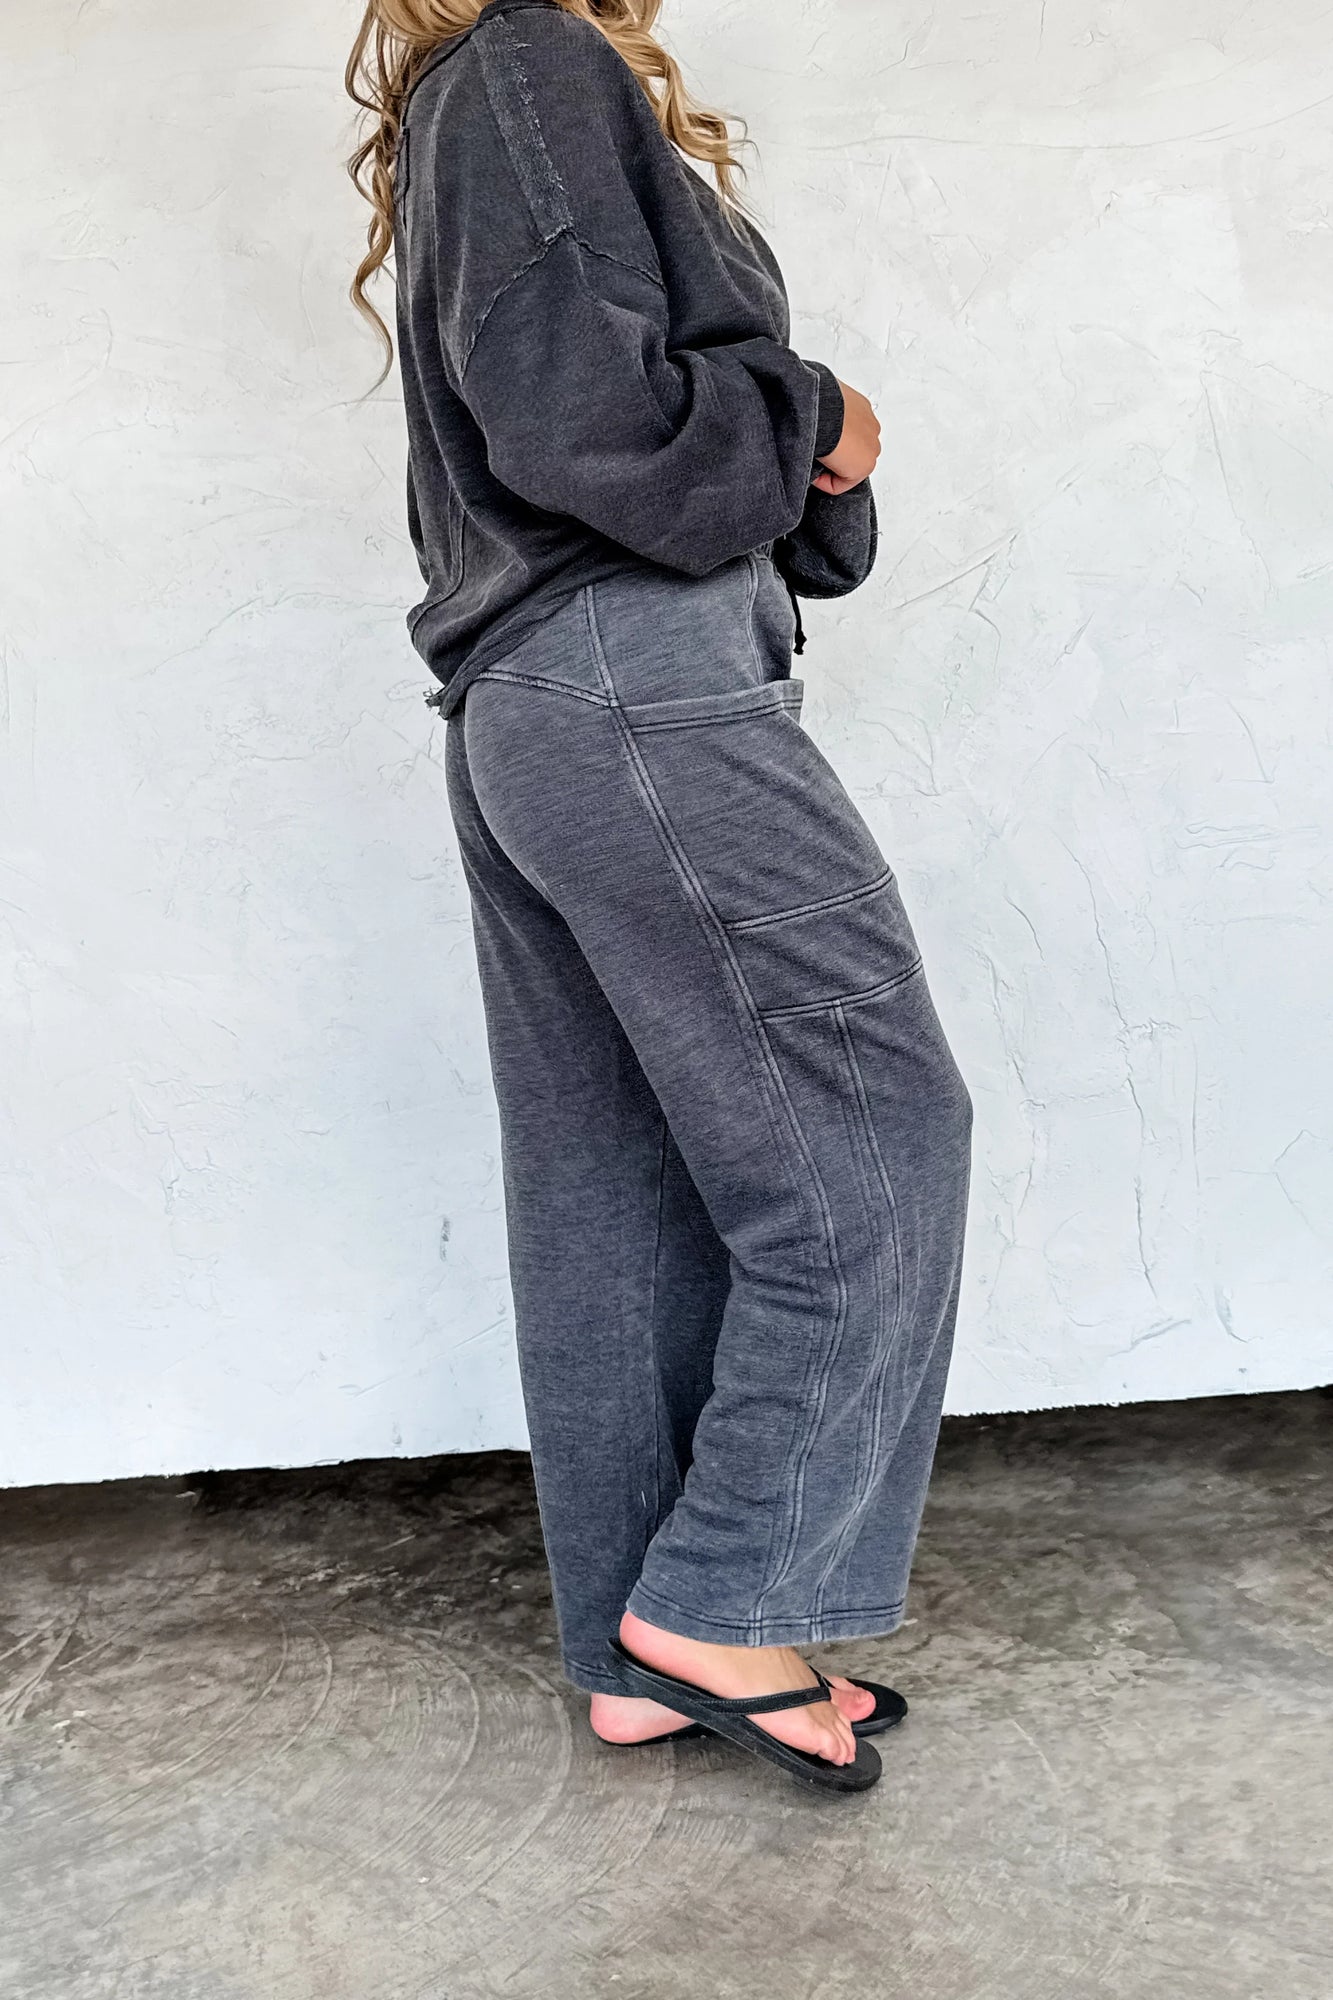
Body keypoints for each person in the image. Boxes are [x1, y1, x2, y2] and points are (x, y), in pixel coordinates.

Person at [346, 0, 973, 1795]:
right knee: (871, 1132)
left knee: (623, 1189)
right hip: (633, 684)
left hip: (546, 700)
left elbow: (579, 426)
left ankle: (648, 1641)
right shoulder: (529, 62)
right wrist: (821, 414)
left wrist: (792, 456)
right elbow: (588, 420)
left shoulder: (484, 93)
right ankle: (726, 1599)